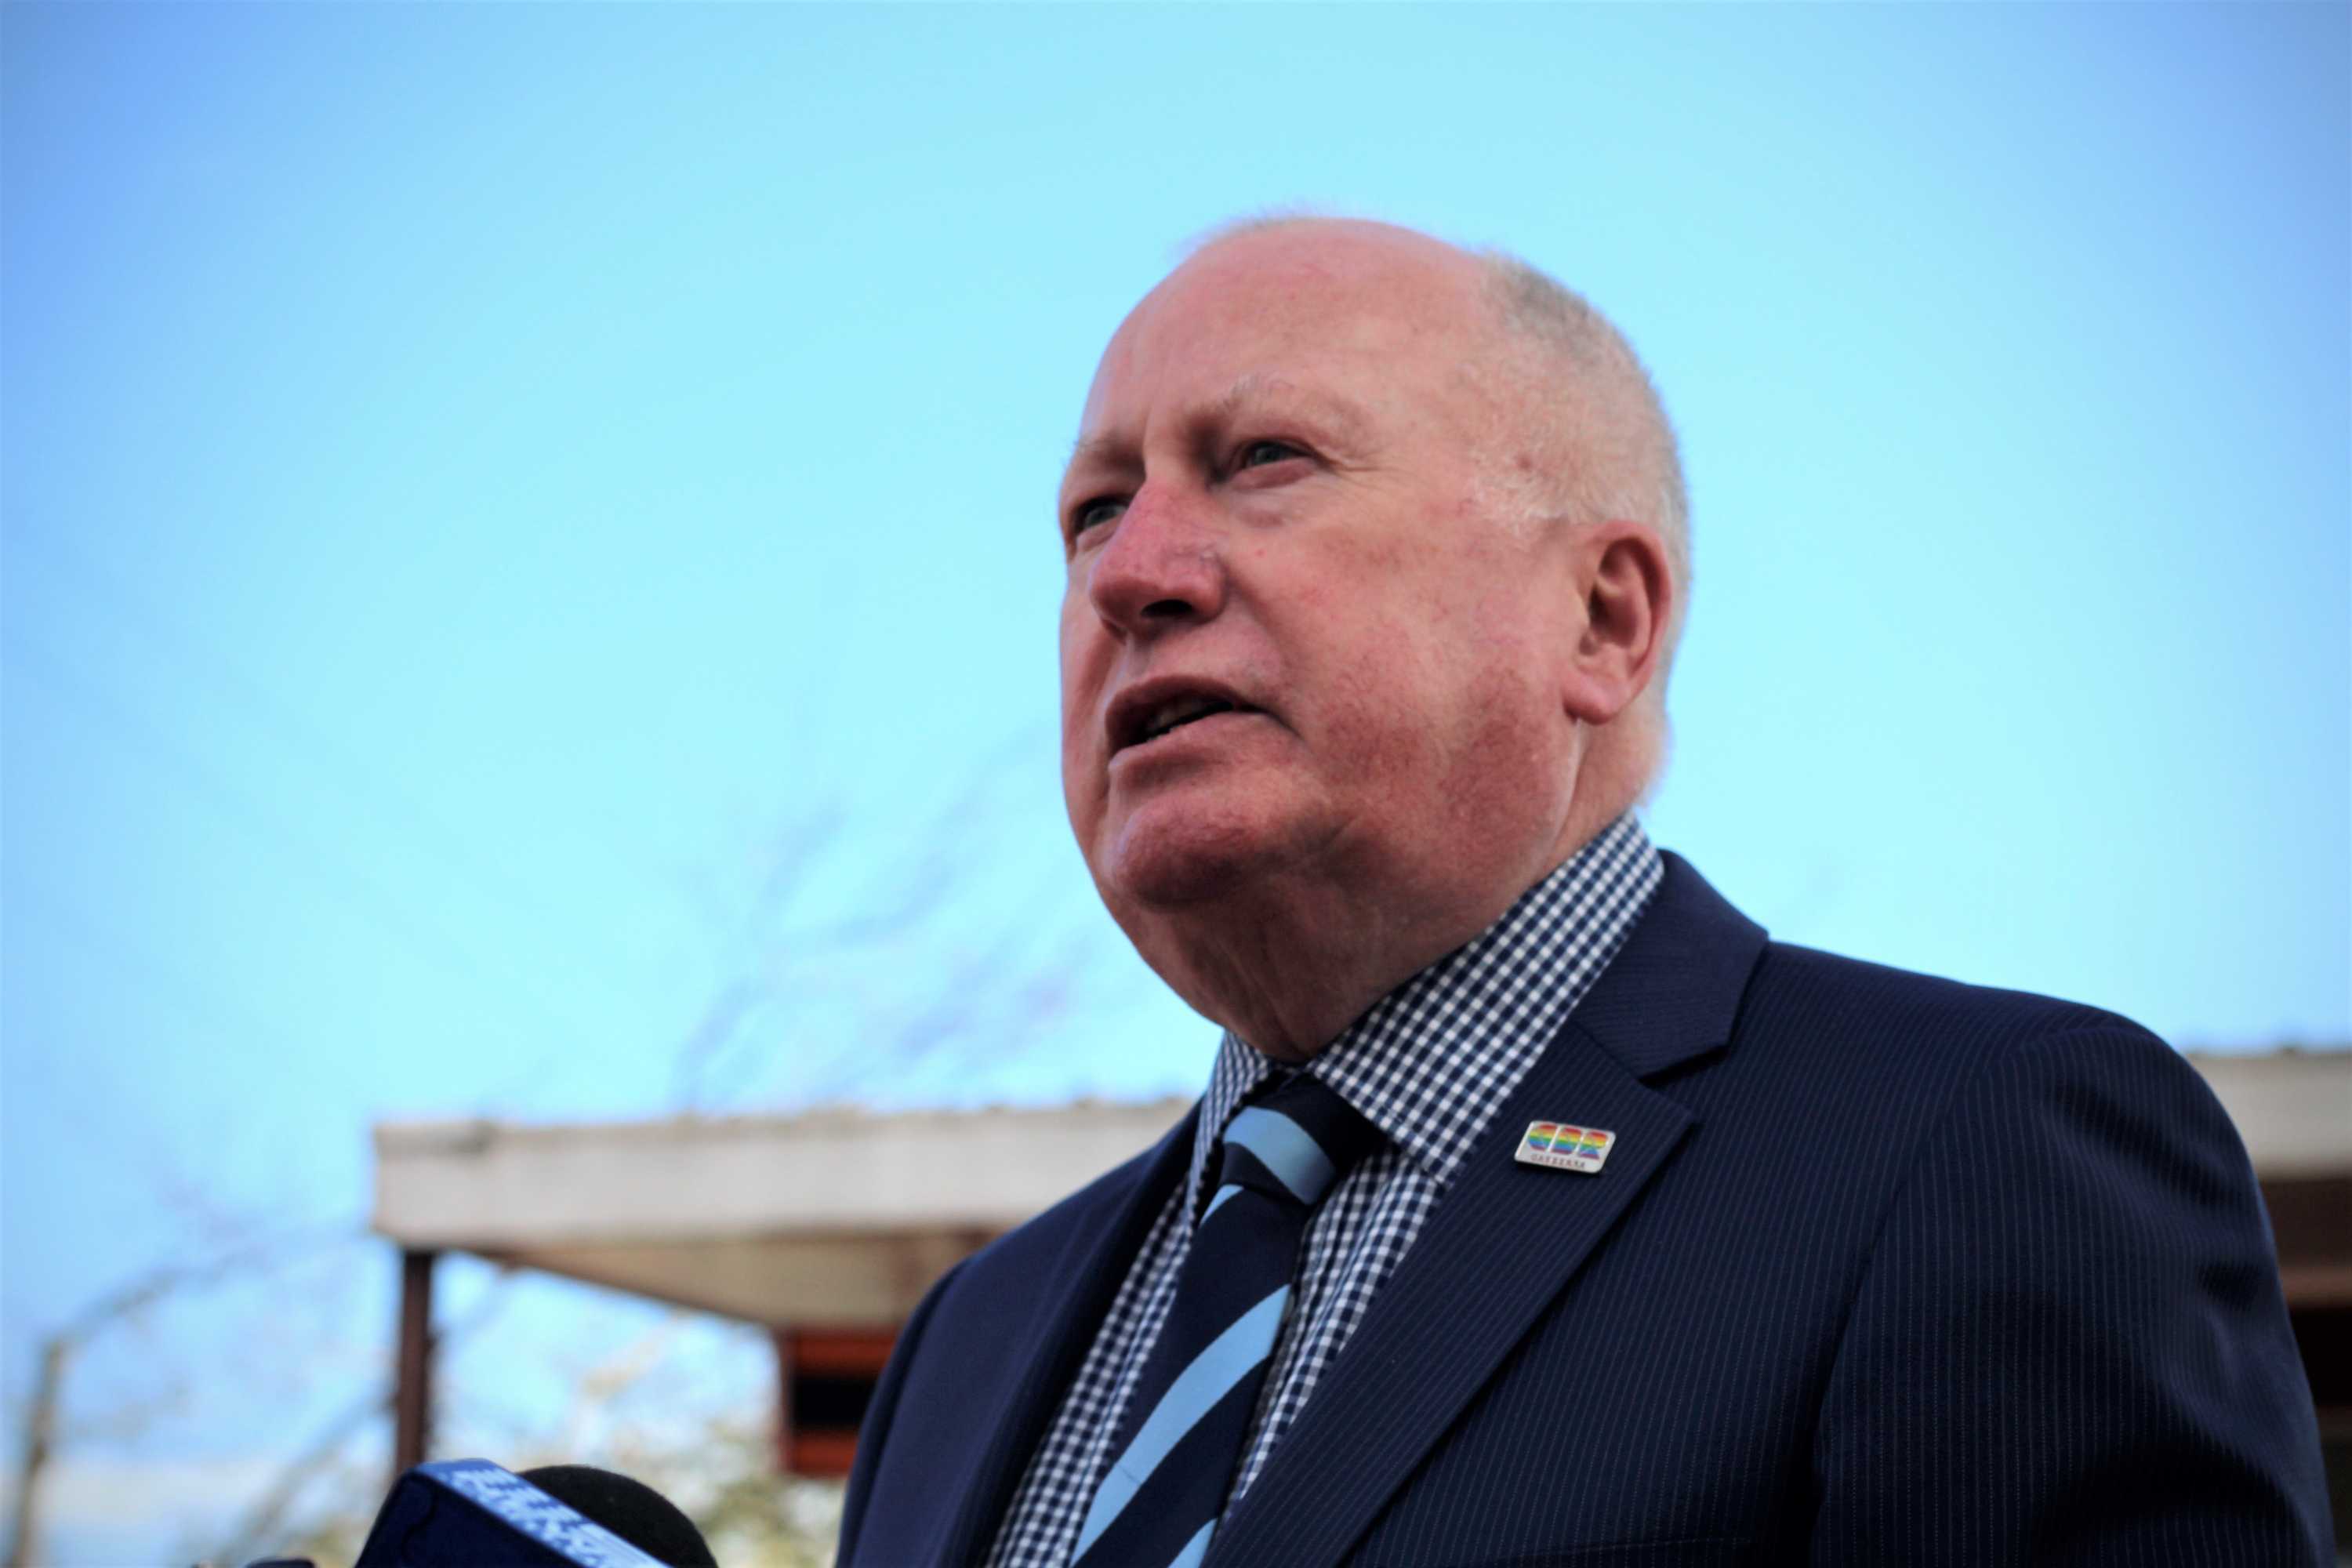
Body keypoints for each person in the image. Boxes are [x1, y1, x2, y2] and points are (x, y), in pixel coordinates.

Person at [837, 218, 2332, 1566]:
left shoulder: (1975, 1150)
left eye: (1265, 462)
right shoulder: (970, 1345)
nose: (1130, 572)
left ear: (1603, 619)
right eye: (1095, 510)